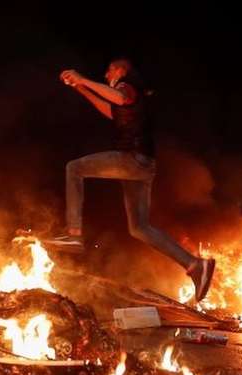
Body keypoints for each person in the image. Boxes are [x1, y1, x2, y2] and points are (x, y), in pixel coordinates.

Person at [42, 58, 216, 302]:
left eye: (109, 70)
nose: (105, 74)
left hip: (133, 160)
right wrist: (80, 88)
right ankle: (195, 265)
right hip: (142, 167)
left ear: (121, 70)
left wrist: (83, 78)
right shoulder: (126, 95)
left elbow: (119, 98)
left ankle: (74, 234)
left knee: (74, 168)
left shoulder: (127, 86)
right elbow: (109, 110)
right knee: (139, 227)